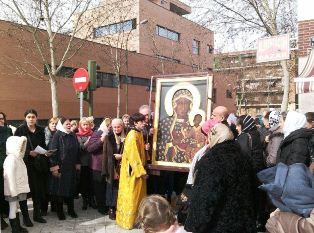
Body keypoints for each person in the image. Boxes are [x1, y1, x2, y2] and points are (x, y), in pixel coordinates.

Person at [184, 123, 256, 233]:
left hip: (218, 226)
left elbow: (205, 199)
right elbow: (254, 193)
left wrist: (193, 225)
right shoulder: (244, 158)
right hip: (243, 225)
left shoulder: (211, 161)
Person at [14, 109, 48, 225]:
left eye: (33, 117)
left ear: (36, 118)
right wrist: (29, 152)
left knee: (37, 191)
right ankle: (26, 217)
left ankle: (37, 214)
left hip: (38, 165)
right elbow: (15, 148)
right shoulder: (20, 130)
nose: (31, 119)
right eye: (29, 117)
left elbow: (43, 145)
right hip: (24, 165)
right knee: (24, 191)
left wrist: (45, 152)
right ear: (25, 118)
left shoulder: (40, 130)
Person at [116, 113, 148, 230]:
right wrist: (141, 172)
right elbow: (133, 156)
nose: (144, 123)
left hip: (137, 171)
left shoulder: (138, 134)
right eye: (142, 122)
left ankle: (137, 220)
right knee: (132, 196)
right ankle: (128, 222)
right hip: (133, 173)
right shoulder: (132, 135)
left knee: (138, 196)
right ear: (135, 123)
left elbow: (141, 153)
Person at [236, 114, 266, 231]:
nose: (237, 128)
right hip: (259, 172)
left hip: (249, 173)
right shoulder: (257, 134)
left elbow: (242, 156)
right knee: (257, 198)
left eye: (239, 125)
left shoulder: (244, 137)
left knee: (249, 199)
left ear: (244, 125)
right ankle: (259, 222)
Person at [49, 117, 80, 220]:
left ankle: (71, 210)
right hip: (61, 168)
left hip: (71, 168)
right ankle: (60, 212)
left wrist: (77, 163)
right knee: (60, 191)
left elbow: (77, 150)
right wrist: (55, 168)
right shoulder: (57, 135)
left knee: (71, 190)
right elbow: (52, 153)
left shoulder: (72, 135)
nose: (69, 125)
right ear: (61, 125)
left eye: (69, 124)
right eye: (66, 124)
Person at [3, 136, 29, 233]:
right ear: (13, 146)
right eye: (20, 145)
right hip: (13, 190)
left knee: (16, 207)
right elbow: (9, 177)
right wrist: (13, 192)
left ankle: (18, 227)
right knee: (13, 207)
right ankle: (15, 229)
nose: (22, 148)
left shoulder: (18, 158)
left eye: (23, 145)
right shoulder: (11, 159)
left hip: (18, 188)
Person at [102, 118, 126, 220]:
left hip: (124, 166)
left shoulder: (127, 136)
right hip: (112, 167)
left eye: (118, 126)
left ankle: (120, 208)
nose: (116, 129)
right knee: (112, 188)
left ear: (122, 126)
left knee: (121, 189)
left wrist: (122, 156)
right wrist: (112, 171)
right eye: (114, 127)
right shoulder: (108, 137)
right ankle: (111, 208)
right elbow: (106, 155)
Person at [86, 119, 111, 215]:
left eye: (111, 126)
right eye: (109, 126)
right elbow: (90, 148)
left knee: (106, 187)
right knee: (99, 188)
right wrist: (101, 140)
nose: (110, 128)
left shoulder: (111, 134)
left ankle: (107, 206)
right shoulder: (97, 133)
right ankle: (102, 208)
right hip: (97, 167)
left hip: (107, 165)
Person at [76, 117, 95, 210]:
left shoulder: (93, 134)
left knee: (91, 182)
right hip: (83, 163)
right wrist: (89, 140)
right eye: (84, 124)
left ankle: (91, 200)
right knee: (84, 183)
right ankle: (85, 201)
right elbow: (81, 148)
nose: (86, 126)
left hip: (92, 162)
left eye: (87, 124)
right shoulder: (78, 136)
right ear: (80, 125)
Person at [0, 112, 12, 230]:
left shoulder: (8, 130)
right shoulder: (5, 130)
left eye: (1, 118)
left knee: (6, 190)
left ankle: (6, 212)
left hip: (7, 165)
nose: (0, 120)